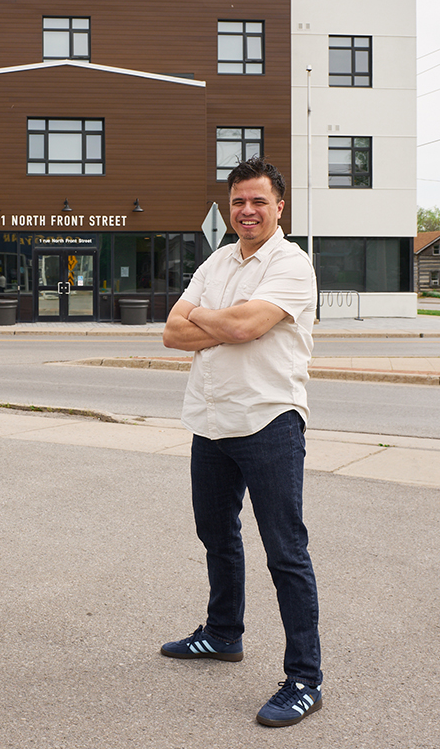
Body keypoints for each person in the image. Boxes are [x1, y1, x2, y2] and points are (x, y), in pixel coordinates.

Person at [160, 156, 323, 727]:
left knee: (285, 551)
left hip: (269, 422)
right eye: (238, 202)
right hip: (210, 420)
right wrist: (219, 320)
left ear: (279, 206)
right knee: (216, 535)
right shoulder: (217, 260)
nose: (247, 211)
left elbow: (245, 327)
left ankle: (305, 677)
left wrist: (208, 318)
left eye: (258, 201)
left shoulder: (292, 265)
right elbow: (170, 333)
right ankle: (224, 634)